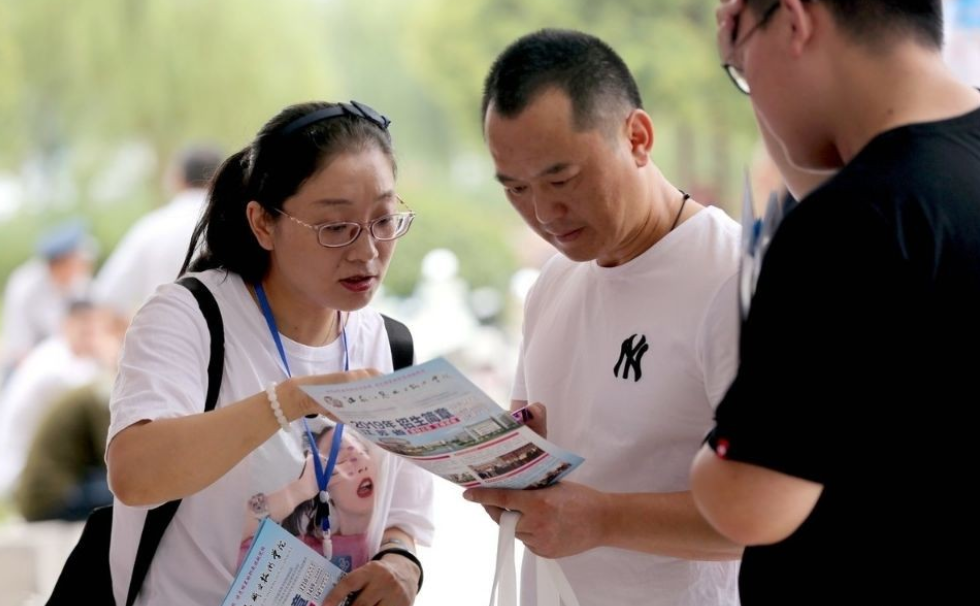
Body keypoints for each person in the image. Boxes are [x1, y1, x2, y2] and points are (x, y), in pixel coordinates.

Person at [690, 1, 980, 603]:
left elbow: (750, 506)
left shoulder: (846, 225)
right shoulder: (915, 191)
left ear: (796, 22)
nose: (751, 88)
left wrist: (709, 459)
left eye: (742, 65)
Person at [106, 101, 434, 606]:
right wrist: (289, 400)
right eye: (335, 227)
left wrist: (400, 564)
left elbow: (404, 518)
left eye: (384, 220)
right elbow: (134, 475)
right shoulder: (191, 317)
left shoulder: (389, 344)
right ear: (263, 223)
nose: (366, 251)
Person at [463, 29, 743, 606]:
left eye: (562, 180)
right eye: (516, 188)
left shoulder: (733, 280)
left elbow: (774, 509)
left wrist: (604, 520)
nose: (544, 213)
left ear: (637, 137)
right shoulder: (555, 279)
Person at [0, 300, 121, 497]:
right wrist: (112, 359)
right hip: (26, 475)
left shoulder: (63, 354)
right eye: (85, 330)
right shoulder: (54, 365)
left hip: (41, 465)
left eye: (95, 330)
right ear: (67, 325)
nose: (92, 337)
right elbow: (100, 400)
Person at [92, 144, 223, 317]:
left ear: (178, 178)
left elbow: (106, 297)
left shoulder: (151, 228)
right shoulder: (242, 228)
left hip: (165, 336)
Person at [239, 423, 381, 574]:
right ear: (325, 491)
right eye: (339, 457)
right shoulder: (300, 550)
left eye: (363, 452)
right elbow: (225, 540)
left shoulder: (395, 543)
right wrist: (299, 490)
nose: (360, 464)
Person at [0, 219, 96, 381]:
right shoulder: (25, 287)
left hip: (70, 361)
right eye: (76, 260)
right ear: (60, 263)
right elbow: (20, 347)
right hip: (29, 366)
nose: (81, 266)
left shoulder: (80, 283)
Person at [14, 380, 114, 521]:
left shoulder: (86, 393)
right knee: (135, 494)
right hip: (52, 498)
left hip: (36, 497)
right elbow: (112, 457)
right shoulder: (98, 397)